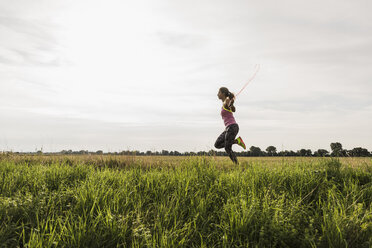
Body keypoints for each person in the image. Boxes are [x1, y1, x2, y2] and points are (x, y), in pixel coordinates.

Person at [214, 87, 246, 164]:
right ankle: (237, 141)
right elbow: (232, 109)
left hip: (232, 127)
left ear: (223, 93)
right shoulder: (225, 103)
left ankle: (237, 165)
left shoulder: (226, 101)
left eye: (219, 92)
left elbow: (233, 109)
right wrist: (230, 104)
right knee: (217, 144)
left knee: (227, 148)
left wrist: (230, 102)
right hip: (228, 128)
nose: (217, 94)